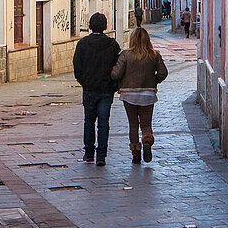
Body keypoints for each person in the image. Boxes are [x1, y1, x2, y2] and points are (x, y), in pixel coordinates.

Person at [111, 26, 168, 164]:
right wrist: (154, 81)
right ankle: (147, 140)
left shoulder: (125, 55)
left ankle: (135, 153)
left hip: (129, 94)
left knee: (133, 124)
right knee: (146, 124)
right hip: (148, 94)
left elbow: (116, 74)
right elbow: (163, 73)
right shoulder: (154, 55)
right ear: (147, 40)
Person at [72, 12, 120, 166]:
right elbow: (118, 66)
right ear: (106, 26)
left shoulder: (83, 44)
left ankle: (88, 152)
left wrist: (84, 82)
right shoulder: (112, 44)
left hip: (89, 89)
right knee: (104, 122)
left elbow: (77, 66)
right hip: (106, 89)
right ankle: (101, 155)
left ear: (90, 26)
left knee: (89, 120)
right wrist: (114, 85)